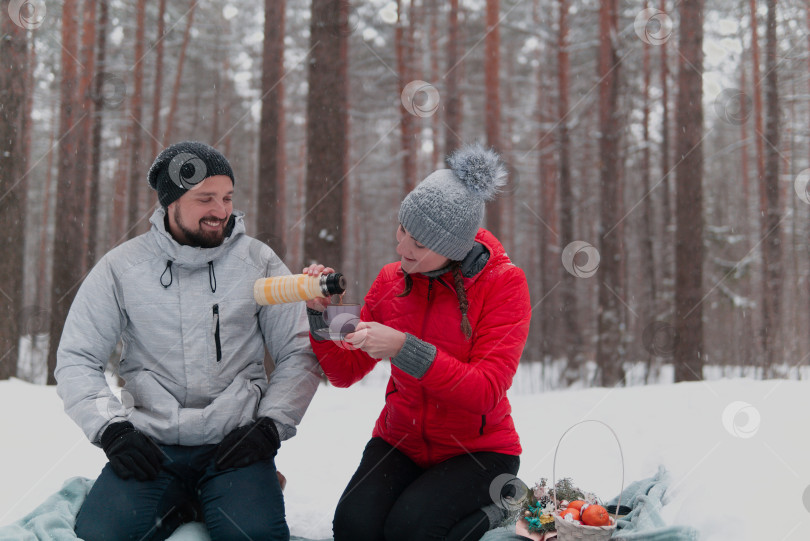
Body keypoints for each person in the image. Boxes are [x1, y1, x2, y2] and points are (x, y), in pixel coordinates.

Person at [55, 141, 321, 541]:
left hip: (235, 447)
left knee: (255, 536)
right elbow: (77, 359)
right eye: (205, 199)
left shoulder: (258, 263)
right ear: (170, 202)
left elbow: (299, 350)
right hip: (151, 447)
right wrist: (112, 430)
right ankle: (186, 498)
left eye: (228, 197)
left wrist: (269, 427)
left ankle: (226, 494)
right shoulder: (122, 268)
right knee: (100, 533)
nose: (220, 210)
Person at [304, 143, 532, 541]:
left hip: (479, 451)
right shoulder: (392, 279)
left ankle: (500, 506)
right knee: (354, 527)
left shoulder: (504, 284)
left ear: (454, 249)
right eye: (403, 229)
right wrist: (322, 314)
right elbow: (343, 373)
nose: (402, 247)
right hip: (401, 441)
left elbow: (486, 390)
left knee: (412, 530)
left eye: (420, 244)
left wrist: (403, 349)